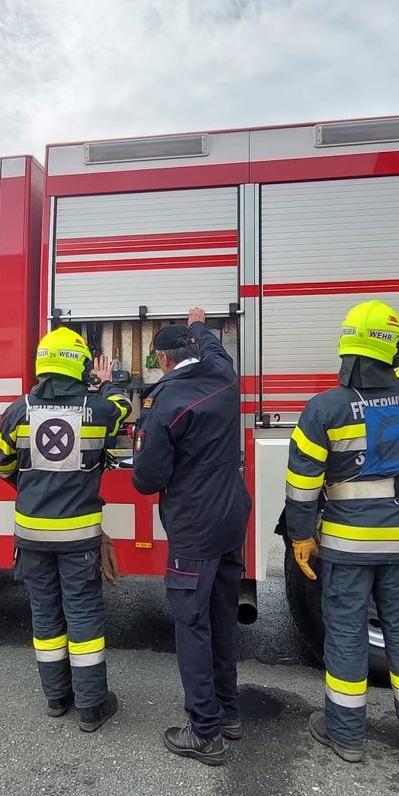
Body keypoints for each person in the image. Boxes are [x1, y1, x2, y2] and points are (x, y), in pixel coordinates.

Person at [284, 299, 399, 765]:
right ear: (393, 349)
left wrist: (301, 537)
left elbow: (302, 483)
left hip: (347, 548)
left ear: (345, 349)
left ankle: (345, 736)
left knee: (347, 636)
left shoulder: (324, 409)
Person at [0, 327, 131, 732]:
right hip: (78, 538)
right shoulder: (100, 408)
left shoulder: (17, 411)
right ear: (81, 366)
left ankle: (56, 698)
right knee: (83, 614)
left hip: (31, 535)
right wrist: (106, 384)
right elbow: (122, 408)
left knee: (45, 613)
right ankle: (91, 707)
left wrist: (32, 485)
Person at [132, 307, 252, 766]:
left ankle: (205, 732)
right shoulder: (224, 375)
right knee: (221, 618)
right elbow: (215, 348)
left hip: (195, 530)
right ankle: (229, 714)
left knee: (193, 626)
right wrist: (199, 324)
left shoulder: (166, 402)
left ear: (163, 360)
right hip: (229, 521)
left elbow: (146, 479)